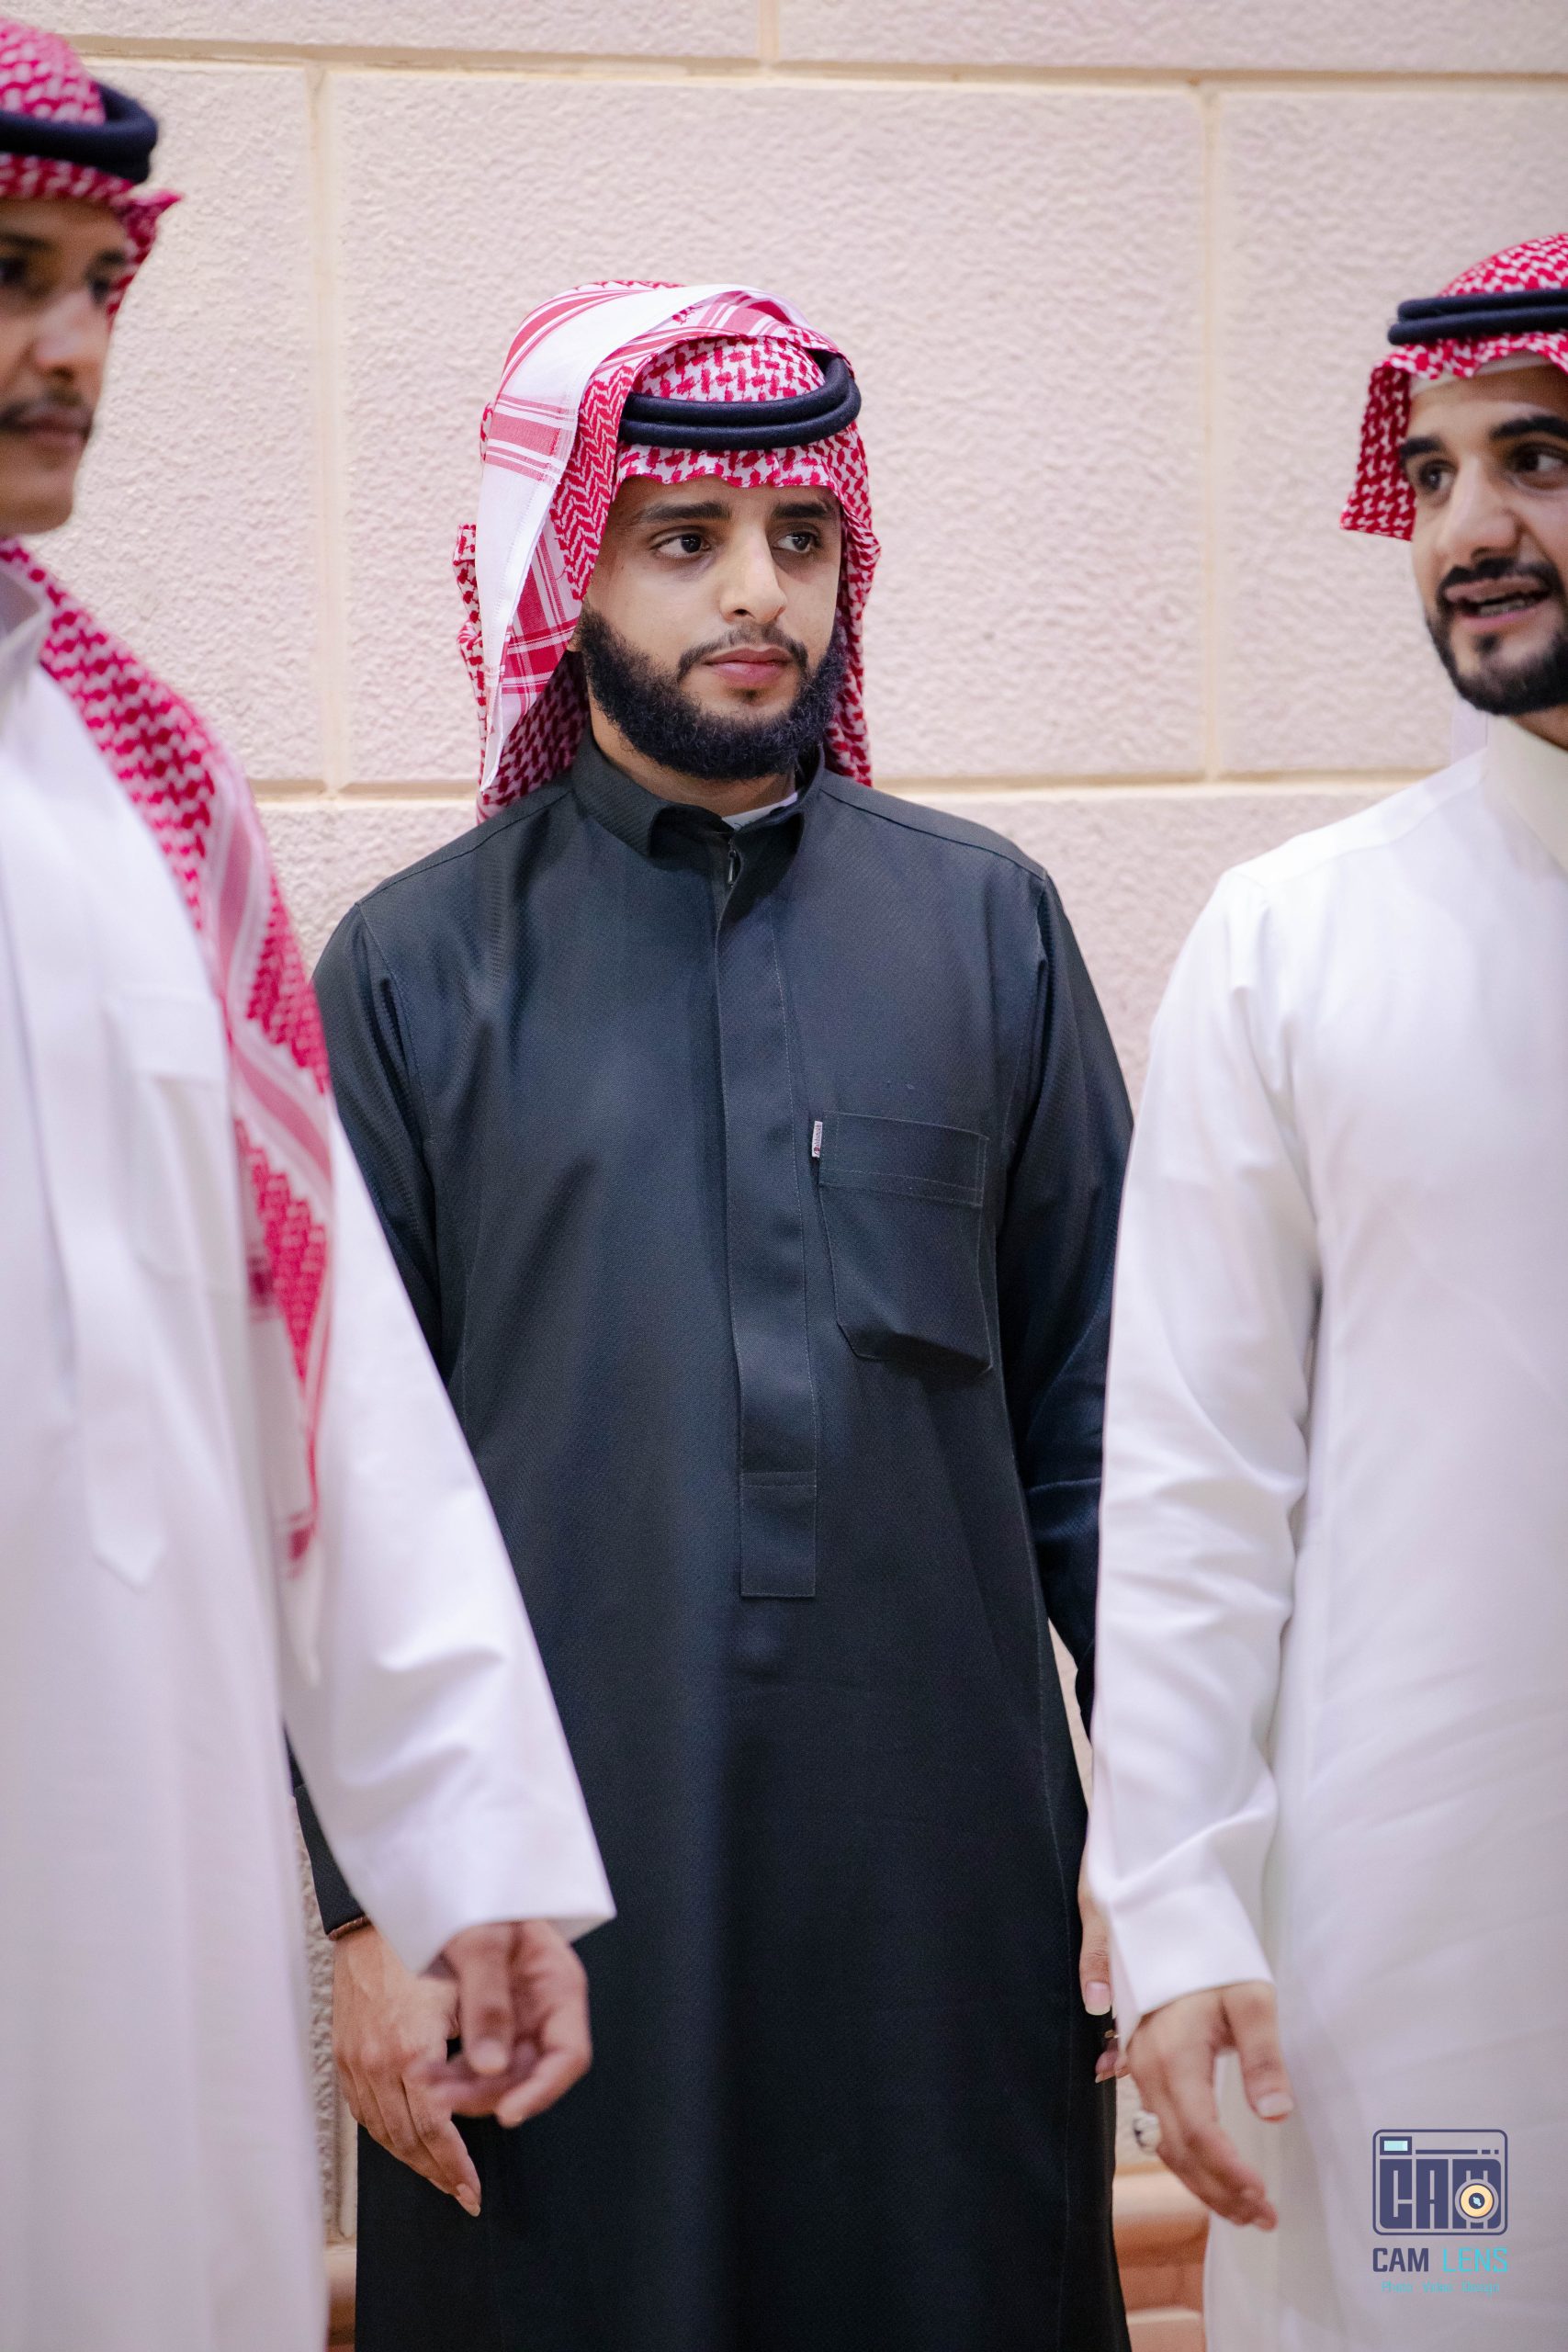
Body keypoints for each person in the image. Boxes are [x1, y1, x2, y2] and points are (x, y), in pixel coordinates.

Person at [296, 280, 1134, 2352]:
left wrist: (1170, 1832)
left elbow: (1110, 1434)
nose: (758, 589)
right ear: (565, 573)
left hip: (943, 1893)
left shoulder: (989, 928)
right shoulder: (407, 973)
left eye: (799, 535)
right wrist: (361, 1913)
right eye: (683, 538)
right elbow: (318, 1499)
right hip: (539, 1926)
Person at [0, 26, 612, 2352]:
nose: (73, 346)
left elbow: (320, 1356)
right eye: (10, 274)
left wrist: (462, 1843)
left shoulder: (147, 786)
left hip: (130, 1838)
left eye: (97, 283)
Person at [1088, 233, 1568, 2348]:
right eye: (1434, 472)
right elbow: (1190, 1473)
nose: (1468, 528)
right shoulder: (1291, 939)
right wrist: (1172, 1902)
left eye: (1533, 458)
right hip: (1417, 1970)